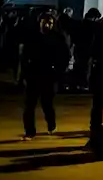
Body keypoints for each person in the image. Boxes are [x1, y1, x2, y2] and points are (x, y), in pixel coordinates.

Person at [18, 11, 67, 140]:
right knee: (29, 105)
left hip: (49, 75)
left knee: (47, 104)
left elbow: (65, 56)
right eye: (45, 22)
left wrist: (59, 70)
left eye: (50, 23)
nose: (47, 25)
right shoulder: (32, 37)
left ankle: (51, 124)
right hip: (33, 74)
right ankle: (30, 131)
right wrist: (23, 75)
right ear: (39, 22)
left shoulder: (57, 37)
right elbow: (24, 57)